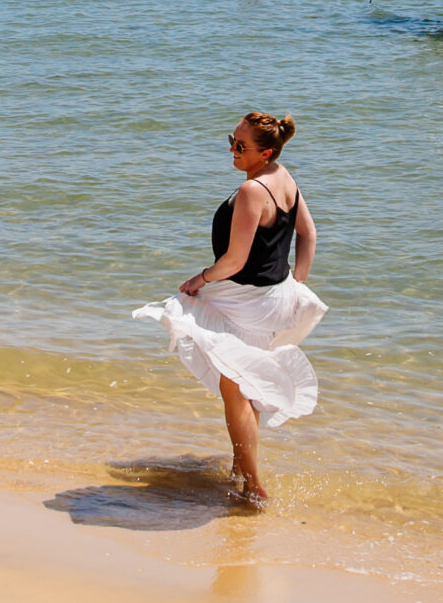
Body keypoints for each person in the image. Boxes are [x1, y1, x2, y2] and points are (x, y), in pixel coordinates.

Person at [132, 111, 324, 506]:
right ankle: (240, 467)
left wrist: (200, 279)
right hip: (271, 297)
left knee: (234, 388)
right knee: (240, 382)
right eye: (231, 141)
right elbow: (309, 234)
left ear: (265, 151)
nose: (232, 151)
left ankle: (252, 485)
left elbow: (234, 261)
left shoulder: (254, 191)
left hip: (247, 302)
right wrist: (296, 282)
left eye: (241, 146)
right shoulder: (283, 176)